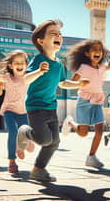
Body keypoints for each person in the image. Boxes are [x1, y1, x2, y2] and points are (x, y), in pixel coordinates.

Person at [16, 20, 89, 182]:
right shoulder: (38, 59)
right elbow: (25, 80)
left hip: (51, 107)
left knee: (54, 142)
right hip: (36, 106)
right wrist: (39, 71)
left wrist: (78, 84)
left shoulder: (58, 64)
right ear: (41, 41)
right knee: (44, 140)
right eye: (53, 34)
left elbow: (63, 83)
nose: (58, 36)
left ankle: (38, 170)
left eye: (59, 34)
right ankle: (24, 132)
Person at [0, 50, 49, 174]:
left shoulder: (26, 79)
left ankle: (21, 147)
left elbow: (37, 74)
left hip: (23, 112)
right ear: (10, 65)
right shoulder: (7, 78)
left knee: (26, 135)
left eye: (22, 63)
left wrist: (41, 70)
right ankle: (12, 161)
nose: (19, 65)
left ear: (26, 65)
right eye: (16, 63)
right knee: (13, 132)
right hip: (9, 111)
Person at [62, 39, 110, 169]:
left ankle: (91, 157)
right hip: (84, 101)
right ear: (87, 53)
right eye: (94, 49)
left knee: (99, 130)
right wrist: (80, 83)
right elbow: (72, 82)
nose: (97, 52)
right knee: (83, 133)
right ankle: (70, 122)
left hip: (98, 100)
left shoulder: (101, 68)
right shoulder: (84, 68)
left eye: (100, 50)